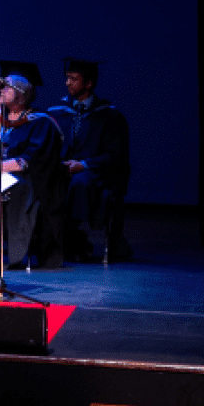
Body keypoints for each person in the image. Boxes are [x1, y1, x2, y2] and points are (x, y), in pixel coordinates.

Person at [47, 57, 131, 261]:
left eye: (74, 79)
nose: (68, 83)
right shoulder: (58, 112)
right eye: (67, 78)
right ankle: (51, 239)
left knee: (79, 182)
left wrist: (83, 165)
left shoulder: (110, 116)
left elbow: (115, 155)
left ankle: (72, 236)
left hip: (95, 173)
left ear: (89, 83)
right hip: (64, 168)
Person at [0, 74, 66, 269]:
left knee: (19, 188)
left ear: (21, 94)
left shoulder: (40, 122)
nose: (1, 90)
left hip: (31, 179)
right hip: (0, 175)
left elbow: (33, 159)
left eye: (6, 87)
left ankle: (17, 256)